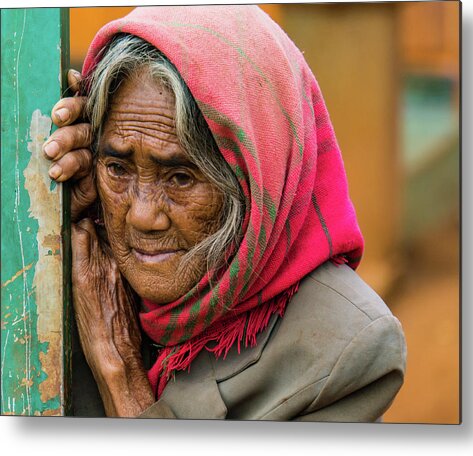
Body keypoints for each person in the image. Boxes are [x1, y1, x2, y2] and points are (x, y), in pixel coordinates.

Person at [44, 5, 406, 421]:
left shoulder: (343, 349)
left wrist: (119, 372)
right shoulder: (74, 267)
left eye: (180, 177)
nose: (142, 216)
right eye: (118, 168)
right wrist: (45, 200)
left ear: (255, 180)